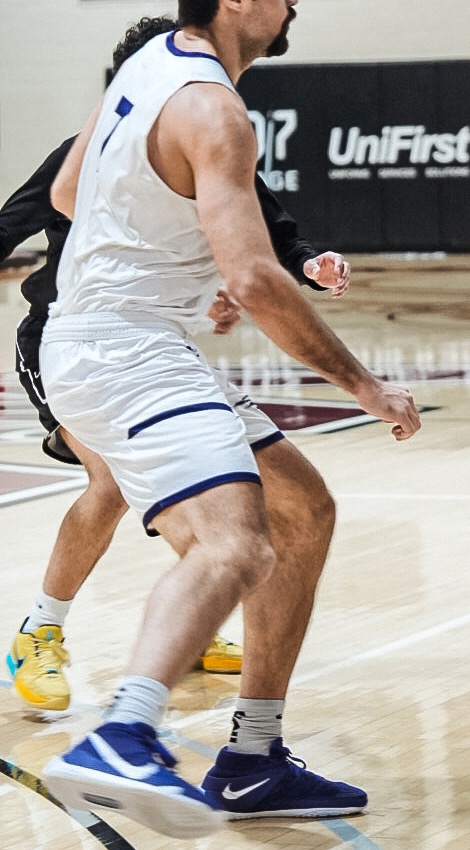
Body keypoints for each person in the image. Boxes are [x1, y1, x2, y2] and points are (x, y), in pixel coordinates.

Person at [37, 0, 420, 838]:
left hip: (115, 339)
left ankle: (252, 759)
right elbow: (254, 282)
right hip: (126, 352)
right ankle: (122, 735)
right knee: (235, 544)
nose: (297, 5)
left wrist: (168, 252)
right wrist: (364, 385)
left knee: (301, 509)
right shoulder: (214, 108)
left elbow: (69, 192)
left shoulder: (143, 66)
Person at [1, 14, 351, 714]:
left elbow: (263, 220)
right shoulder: (94, 146)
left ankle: (187, 636)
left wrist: (306, 262)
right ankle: (39, 631)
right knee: (111, 485)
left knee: (220, 487)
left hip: (149, 345)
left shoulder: (197, 134)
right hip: (64, 337)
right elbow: (11, 227)